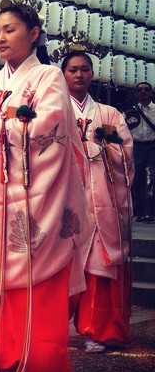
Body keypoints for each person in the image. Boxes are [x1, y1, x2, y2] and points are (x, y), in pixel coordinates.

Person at [0, 1, 93, 372]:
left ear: (34, 34)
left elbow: (49, 129)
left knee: (30, 288)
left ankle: (31, 366)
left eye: (10, 29)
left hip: (33, 204)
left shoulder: (49, 77)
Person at [62, 51, 133, 353]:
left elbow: (125, 153)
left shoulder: (109, 114)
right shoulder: (53, 110)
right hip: (63, 199)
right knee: (58, 265)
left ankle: (98, 329)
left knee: (96, 267)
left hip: (101, 198)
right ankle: (49, 330)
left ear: (92, 74)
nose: (79, 75)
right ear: (63, 74)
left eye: (85, 70)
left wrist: (98, 142)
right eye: (73, 70)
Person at [124, 82, 155, 222]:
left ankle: (149, 212)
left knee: (151, 179)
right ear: (136, 93)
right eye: (140, 90)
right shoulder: (129, 111)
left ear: (151, 93)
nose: (143, 92)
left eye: (146, 90)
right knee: (135, 179)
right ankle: (138, 211)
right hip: (135, 147)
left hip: (152, 147)